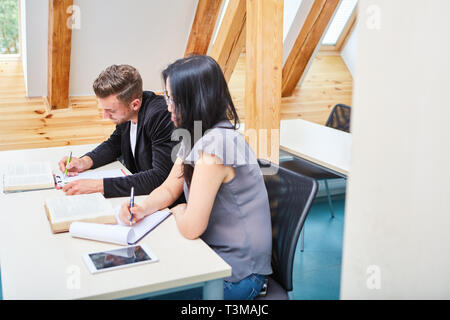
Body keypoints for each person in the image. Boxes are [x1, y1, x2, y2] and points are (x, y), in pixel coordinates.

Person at [118, 55, 273, 300]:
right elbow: (170, 187)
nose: (167, 105)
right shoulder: (196, 135)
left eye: (172, 99)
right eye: (166, 96)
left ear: (195, 99)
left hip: (237, 275)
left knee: (141, 294)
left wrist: (178, 210)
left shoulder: (216, 148)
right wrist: (143, 206)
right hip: (211, 255)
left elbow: (191, 228)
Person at [58, 64, 179, 198]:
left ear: (135, 104)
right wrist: (85, 162)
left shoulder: (160, 115)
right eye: (103, 109)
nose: (104, 116)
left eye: (110, 111)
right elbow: (115, 144)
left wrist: (98, 186)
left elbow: (160, 176)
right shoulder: (127, 114)